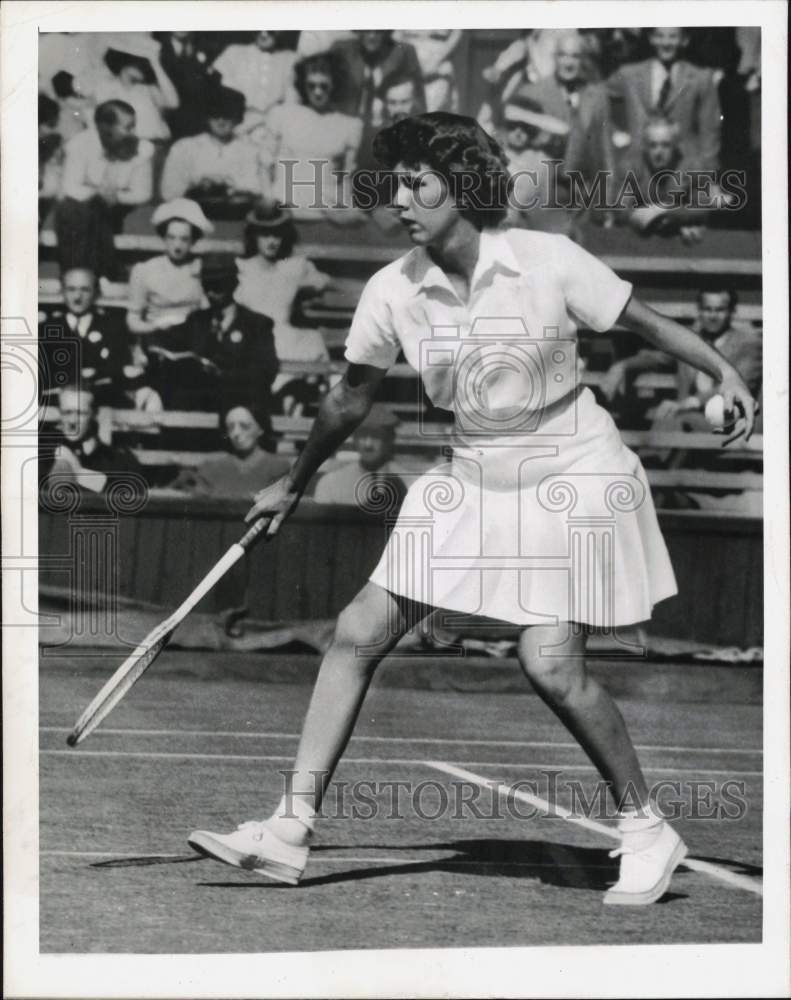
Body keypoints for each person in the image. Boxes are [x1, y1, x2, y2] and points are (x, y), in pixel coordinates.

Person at [187, 112, 756, 906]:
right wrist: (293, 479)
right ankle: (288, 830)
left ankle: (646, 829)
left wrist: (725, 373)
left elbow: (647, 323)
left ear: (462, 186)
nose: (399, 200)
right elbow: (349, 397)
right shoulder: (392, 290)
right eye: (395, 185)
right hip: (472, 474)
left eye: (417, 183)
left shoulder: (547, 258)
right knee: (357, 631)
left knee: (549, 664)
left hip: (576, 472)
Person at [159, 255, 280, 412]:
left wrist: (223, 375)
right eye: (206, 286)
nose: (210, 293)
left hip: (240, 404)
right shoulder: (196, 321)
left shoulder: (257, 324)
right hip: (199, 406)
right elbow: (169, 345)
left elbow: (266, 371)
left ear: (234, 285)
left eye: (217, 287)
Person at [55, 100, 154, 280]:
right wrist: (98, 194)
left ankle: (92, 275)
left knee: (86, 212)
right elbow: (70, 187)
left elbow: (143, 193)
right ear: (104, 128)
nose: (133, 133)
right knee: (77, 210)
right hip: (83, 208)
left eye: (133, 126)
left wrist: (116, 197)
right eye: (128, 127)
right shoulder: (80, 145)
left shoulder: (141, 149)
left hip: (120, 208)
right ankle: (93, 275)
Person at [263, 51, 363, 218]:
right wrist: (268, 203)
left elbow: (347, 179)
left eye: (324, 86)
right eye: (311, 85)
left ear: (335, 85)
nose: (317, 92)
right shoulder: (280, 115)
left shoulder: (350, 125)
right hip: (283, 212)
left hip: (326, 214)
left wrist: (346, 212)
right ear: (303, 85)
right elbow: (264, 166)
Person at [607, 27, 722, 170]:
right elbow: (595, 100)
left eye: (673, 37)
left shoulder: (701, 77)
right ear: (651, 38)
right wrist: (616, 134)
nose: (666, 43)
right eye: (660, 36)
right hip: (638, 167)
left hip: (684, 168)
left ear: (684, 40)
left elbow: (710, 128)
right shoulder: (628, 74)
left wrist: (707, 169)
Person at [234, 203, 331, 368]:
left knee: (313, 341)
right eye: (265, 234)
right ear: (254, 235)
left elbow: (326, 282)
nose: (271, 241)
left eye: (277, 235)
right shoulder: (241, 268)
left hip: (286, 338)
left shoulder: (293, 267)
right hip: (252, 341)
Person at [159, 85, 269, 207]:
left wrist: (229, 184)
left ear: (238, 118)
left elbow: (260, 191)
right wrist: (199, 185)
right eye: (215, 114)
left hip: (237, 212)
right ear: (207, 116)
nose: (221, 121)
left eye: (227, 115)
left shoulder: (251, 150)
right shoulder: (184, 148)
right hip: (193, 211)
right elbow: (169, 193)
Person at [39, 266, 130, 407]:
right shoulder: (45, 329)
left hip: (101, 404)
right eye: (71, 289)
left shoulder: (112, 328)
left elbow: (118, 372)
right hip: (57, 405)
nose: (77, 297)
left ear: (96, 293)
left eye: (85, 290)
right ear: (62, 292)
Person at [126, 198, 213, 337]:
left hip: (192, 340)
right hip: (157, 339)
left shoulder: (199, 268)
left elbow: (206, 313)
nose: (177, 246)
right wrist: (155, 327)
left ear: (193, 241)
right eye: (171, 237)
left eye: (184, 239)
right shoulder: (145, 270)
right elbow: (132, 322)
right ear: (164, 238)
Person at [169, 401, 290, 499]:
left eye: (245, 426)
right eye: (231, 428)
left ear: (261, 429)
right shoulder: (212, 468)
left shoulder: (278, 468)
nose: (236, 433)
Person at [43, 382, 144, 495]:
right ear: (59, 413)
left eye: (81, 413)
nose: (72, 421)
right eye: (67, 412)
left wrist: (80, 474)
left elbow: (134, 496)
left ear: (94, 414)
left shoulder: (116, 458)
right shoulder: (44, 454)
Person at [313, 404, 408, 507]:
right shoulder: (331, 483)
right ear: (354, 438)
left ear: (390, 438)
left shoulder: (409, 482)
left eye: (376, 435)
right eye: (362, 435)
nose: (368, 444)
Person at [211, 31, 297, 138]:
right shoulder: (233, 54)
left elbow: (291, 105)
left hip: (276, 131)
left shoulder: (291, 59)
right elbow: (224, 102)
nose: (264, 34)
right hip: (237, 131)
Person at [92, 42, 180, 143]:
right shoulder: (106, 87)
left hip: (158, 142)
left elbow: (173, 103)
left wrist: (156, 64)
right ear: (125, 63)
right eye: (138, 63)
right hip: (128, 146)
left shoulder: (147, 89)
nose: (143, 68)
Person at [392, 29, 460, 112]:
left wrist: (437, 60)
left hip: (437, 72)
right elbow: (396, 36)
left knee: (432, 112)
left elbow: (456, 34)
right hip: (409, 74)